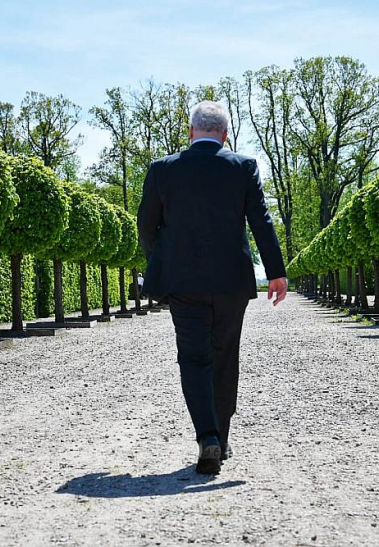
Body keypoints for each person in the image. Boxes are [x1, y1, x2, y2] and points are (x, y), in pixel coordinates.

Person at [137, 100, 287, 475]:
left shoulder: (162, 170)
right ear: (225, 134)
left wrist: (164, 258)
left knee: (193, 359)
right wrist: (276, 272)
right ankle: (222, 434)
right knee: (224, 357)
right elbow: (261, 222)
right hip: (231, 283)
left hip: (183, 284)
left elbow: (146, 226)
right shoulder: (243, 167)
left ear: (191, 133)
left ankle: (208, 437)